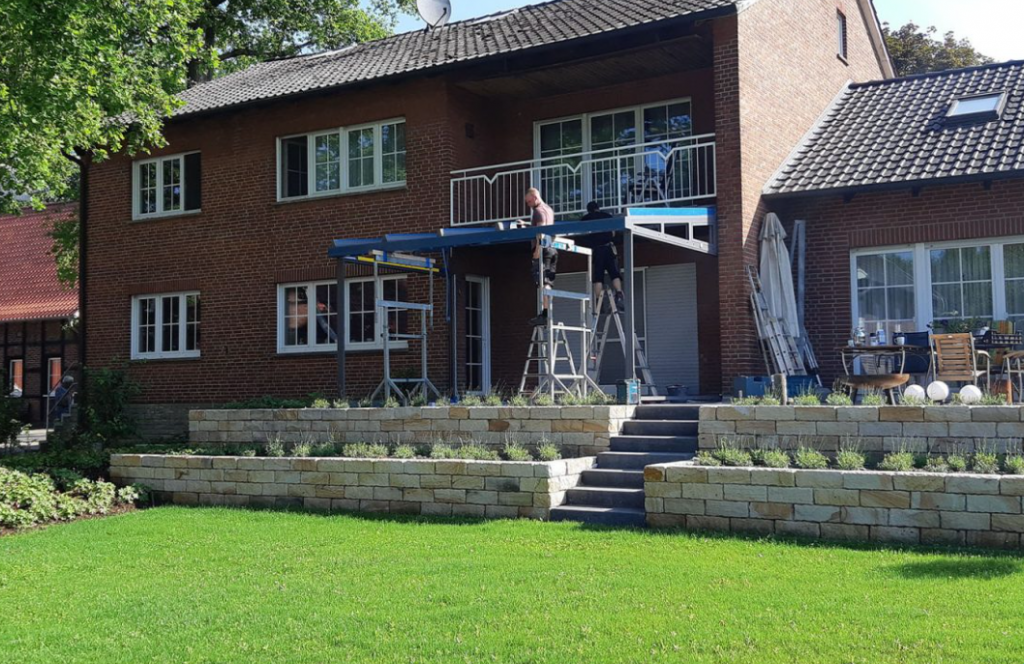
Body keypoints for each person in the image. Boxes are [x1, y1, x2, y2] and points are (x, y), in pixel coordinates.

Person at [581, 202, 624, 312]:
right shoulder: (607, 216)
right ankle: (619, 293)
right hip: (608, 248)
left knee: (598, 277)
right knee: (614, 273)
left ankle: (598, 303)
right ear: (598, 208)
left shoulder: (586, 219)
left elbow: (582, 233)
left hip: (597, 250)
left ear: (588, 210)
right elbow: (613, 233)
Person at [524, 188, 557, 327]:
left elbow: (541, 231)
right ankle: (547, 311)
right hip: (552, 248)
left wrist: (537, 250)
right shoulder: (549, 209)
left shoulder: (538, 211)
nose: (528, 205)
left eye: (529, 201)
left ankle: (545, 314)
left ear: (535, 197)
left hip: (543, 249)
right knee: (547, 281)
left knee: (542, 281)